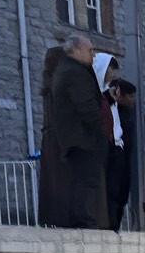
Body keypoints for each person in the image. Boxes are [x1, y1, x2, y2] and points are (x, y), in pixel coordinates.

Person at [39, 36, 109, 230]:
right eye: (89, 50)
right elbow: (85, 107)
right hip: (74, 138)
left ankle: (71, 219)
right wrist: (101, 131)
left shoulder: (55, 81)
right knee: (80, 182)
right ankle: (83, 220)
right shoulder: (72, 76)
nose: (92, 55)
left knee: (68, 183)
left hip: (59, 139)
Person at [104, 76, 138, 230]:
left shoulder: (131, 113)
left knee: (121, 196)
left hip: (124, 160)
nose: (134, 100)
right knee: (113, 196)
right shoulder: (113, 112)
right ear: (121, 96)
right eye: (130, 96)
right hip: (115, 159)